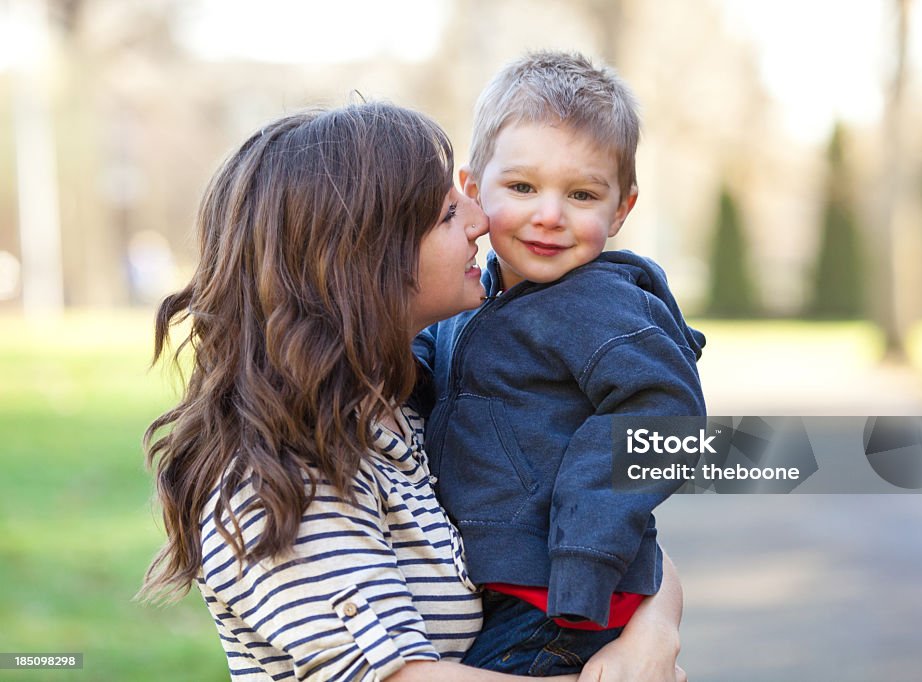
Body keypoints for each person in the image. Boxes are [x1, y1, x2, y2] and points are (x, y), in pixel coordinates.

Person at [139, 102, 686, 681]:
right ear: (365, 255)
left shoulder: (412, 408)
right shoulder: (280, 479)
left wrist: (653, 635)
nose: (482, 219)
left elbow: (617, 532)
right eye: (449, 212)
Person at [416, 52, 706, 676]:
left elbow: (667, 422)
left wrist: (583, 561)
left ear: (621, 208)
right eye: (522, 188)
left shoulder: (603, 308)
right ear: (472, 191)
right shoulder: (471, 301)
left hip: (558, 600)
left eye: (581, 194)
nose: (550, 215)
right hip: (505, 589)